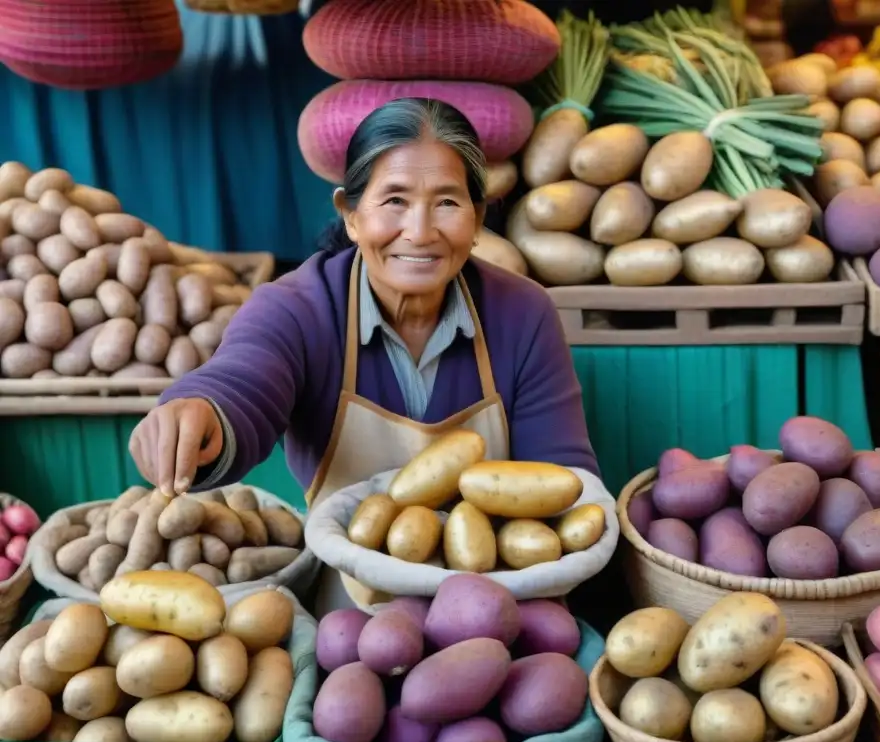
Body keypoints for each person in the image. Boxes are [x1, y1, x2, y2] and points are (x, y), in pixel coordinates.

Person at [128, 97, 612, 610]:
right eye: (395, 201)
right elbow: (243, 381)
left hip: (499, 595)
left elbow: (562, 481)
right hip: (353, 608)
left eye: (447, 202)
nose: (420, 232)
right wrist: (199, 412)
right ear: (351, 215)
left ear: (477, 217)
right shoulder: (299, 309)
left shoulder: (522, 313)